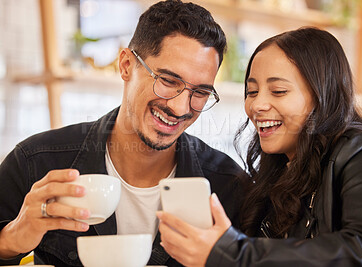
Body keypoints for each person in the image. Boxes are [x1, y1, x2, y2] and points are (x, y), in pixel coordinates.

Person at [0, 0, 244, 266]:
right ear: (126, 65)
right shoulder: (36, 162)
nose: (179, 107)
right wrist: (11, 240)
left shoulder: (229, 187)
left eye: (200, 93)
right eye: (168, 81)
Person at [157, 27, 362, 266]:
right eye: (252, 91)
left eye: (278, 91)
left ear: (321, 94)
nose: (257, 105)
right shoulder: (274, 173)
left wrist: (234, 252)